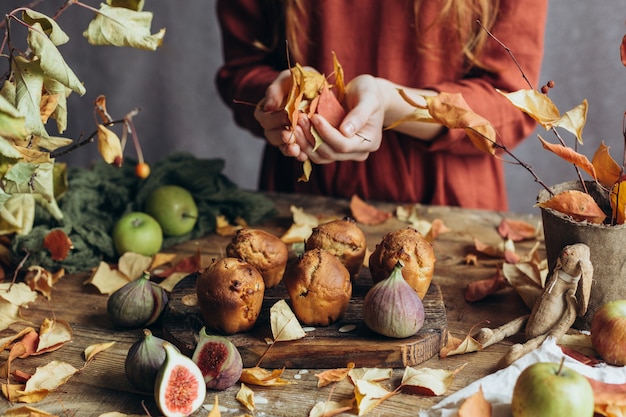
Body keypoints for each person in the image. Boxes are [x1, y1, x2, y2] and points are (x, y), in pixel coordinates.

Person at [215, 0, 548, 211]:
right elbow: (243, 69)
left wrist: (392, 103)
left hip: (448, 207)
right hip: (301, 197)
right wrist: (280, 97)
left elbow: (513, 103)